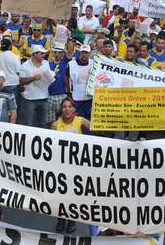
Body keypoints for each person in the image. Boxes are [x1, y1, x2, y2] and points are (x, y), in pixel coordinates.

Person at [51, 98, 90, 234]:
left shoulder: (81, 121)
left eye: (70, 107)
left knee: (73, 195)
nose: (67, 109)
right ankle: (60, 219)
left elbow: (97, 127)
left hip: (76, 166)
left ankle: (72, 220)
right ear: (61, 110)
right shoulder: (55, 125)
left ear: (74, 109)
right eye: (64, 107)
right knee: (60, 195)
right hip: (60, 166)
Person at [66, 44, 93, 120]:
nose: (84, 54)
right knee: (76, 119)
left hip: (89, 98)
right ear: (80, 53)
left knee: (88, 119)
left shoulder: (94, 63)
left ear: (89, 53)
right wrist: (69, 91)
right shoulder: (71, 64)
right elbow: (66, 77)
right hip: (76, 97)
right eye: (83, 52)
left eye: (86, 53)